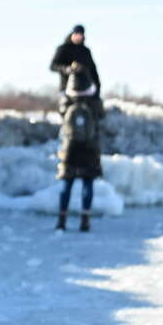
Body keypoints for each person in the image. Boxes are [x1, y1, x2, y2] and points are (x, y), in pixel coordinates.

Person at [50, 24, 104, 232]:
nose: (79, 37)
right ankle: (78, 219)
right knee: (81, 182)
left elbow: (95, 74)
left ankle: (70, 219)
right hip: (88, 146)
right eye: (77, 34)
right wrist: (68, 69)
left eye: (81, 34)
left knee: (71, 182)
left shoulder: (86, 52)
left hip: (73, 147)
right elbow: (54, 66)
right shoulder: (63, 49)